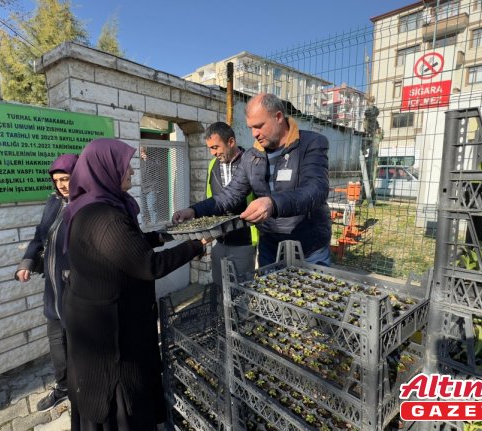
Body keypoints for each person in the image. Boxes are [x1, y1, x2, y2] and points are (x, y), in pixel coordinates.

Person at [63, 138, 209, 430]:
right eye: (123, 165)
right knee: (121, 401)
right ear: (105, 169)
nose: (130, 171)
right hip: (113, 334)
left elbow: (123, 249)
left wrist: (161, 236)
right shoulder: (106, 217)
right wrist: (196, 245)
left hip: (95, 322)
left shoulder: (89, 207)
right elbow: (147, 265)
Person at [173, 93, 332, 267]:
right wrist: (194, 211)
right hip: (270, 245)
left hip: (309, 245)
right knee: (268, 293)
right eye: (251, 127)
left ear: (278, 117)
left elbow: (316, 189)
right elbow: (230, 195)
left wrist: (273, 204)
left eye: (259, 126)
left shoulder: (310, 143)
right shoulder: (251, 156)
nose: (254, 134)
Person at [15, 153, 78, 412]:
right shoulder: (53, 202)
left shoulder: (87, 204)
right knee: (56, 341)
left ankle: (83, 389)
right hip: (53, 286)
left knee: (79, 342)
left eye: (66, 179)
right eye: (57, 180)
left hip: (77, 287)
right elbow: (39, 236)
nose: (62, 185)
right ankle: (63, 388)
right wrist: (27, 262)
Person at [203, 122, 258, 285]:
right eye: (210, 148)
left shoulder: (251, 162)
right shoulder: (212, 165)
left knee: (242, 293)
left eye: (215, 147)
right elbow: (208, 197)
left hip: (244, 241)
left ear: (231, 142)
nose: (213, 153)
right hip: (219, 242)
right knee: (220, 289)